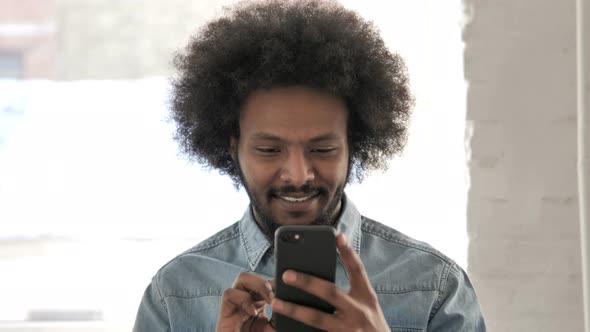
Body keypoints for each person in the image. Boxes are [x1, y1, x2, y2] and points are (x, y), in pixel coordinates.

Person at [132, 0, 486, 331]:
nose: (298, 176)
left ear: (354, 145)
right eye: (270, 150)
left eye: (323, 149)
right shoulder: (175, 294)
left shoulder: (435, 286)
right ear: (233, 146)